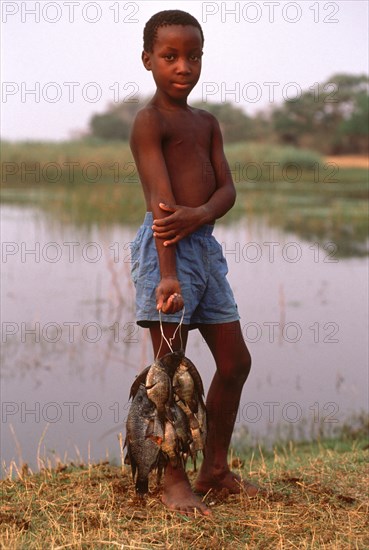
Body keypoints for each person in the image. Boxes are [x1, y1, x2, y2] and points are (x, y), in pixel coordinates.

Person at [129, 9, 259, 516]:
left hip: (204, 246)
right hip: (169, 251)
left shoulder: (207, 123)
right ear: (148, 61)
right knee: (169, 372)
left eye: (194, 55)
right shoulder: (150, 121)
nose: (184, 66)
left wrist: (202, 213)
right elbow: (163, 209)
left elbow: (227, 189)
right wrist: (166, 273)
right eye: (171, 56)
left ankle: (215, 469)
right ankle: (173, 481)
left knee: (235, 362)